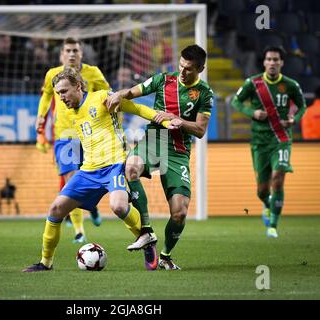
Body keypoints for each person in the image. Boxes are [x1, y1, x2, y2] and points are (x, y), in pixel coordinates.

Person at [22, 69, 179, 272]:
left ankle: (147, 241)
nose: (60, 97)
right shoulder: (69, 113)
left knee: (119, 207)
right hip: (89, 170)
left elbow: (138, 109)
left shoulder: (103, 97)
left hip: (115, 164)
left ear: (78, 86)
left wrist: (165, 121)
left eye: (64, 91)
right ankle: (45, 263)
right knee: (56, 209)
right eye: (58, 93)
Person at [106, 44, 213, 270]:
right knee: (131, 167)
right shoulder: (164, 80)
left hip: (178, 153)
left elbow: (201, 130)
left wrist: (178, 120)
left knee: (180, 213)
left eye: (189, 69)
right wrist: (118, 94)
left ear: (200, 69)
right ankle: (146, 230)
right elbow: (133, 92)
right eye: (181, 66)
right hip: (154, 142)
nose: (182, 72)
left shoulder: (204, 93)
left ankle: (165, 256)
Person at [35, 38, 109, 243]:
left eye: (75, 50)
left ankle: (92, 206)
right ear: (61, 54)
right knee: (72, 181)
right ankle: (79, 231)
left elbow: (108, 95)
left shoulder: (93, 73)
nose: (72, 54)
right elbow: (46, 96)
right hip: (65, 134)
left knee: (88, 181)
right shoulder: (52, 74)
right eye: (67, 50)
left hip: (89, 134)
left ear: (81, 53)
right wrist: (41, 117)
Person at [231, 46, 307, 238]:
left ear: (282, 62)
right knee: (262, 190)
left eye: (276, 60)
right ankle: (267, 202)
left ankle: (273, 225)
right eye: (269, 59)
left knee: (278, 178)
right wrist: (252, 112)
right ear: (264, 62)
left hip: (281, 139)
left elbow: (302, 106)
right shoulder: (253, 83)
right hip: (259, 142)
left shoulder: (290, 85)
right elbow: (236, 102)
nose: (272, 63)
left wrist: (293, 120)